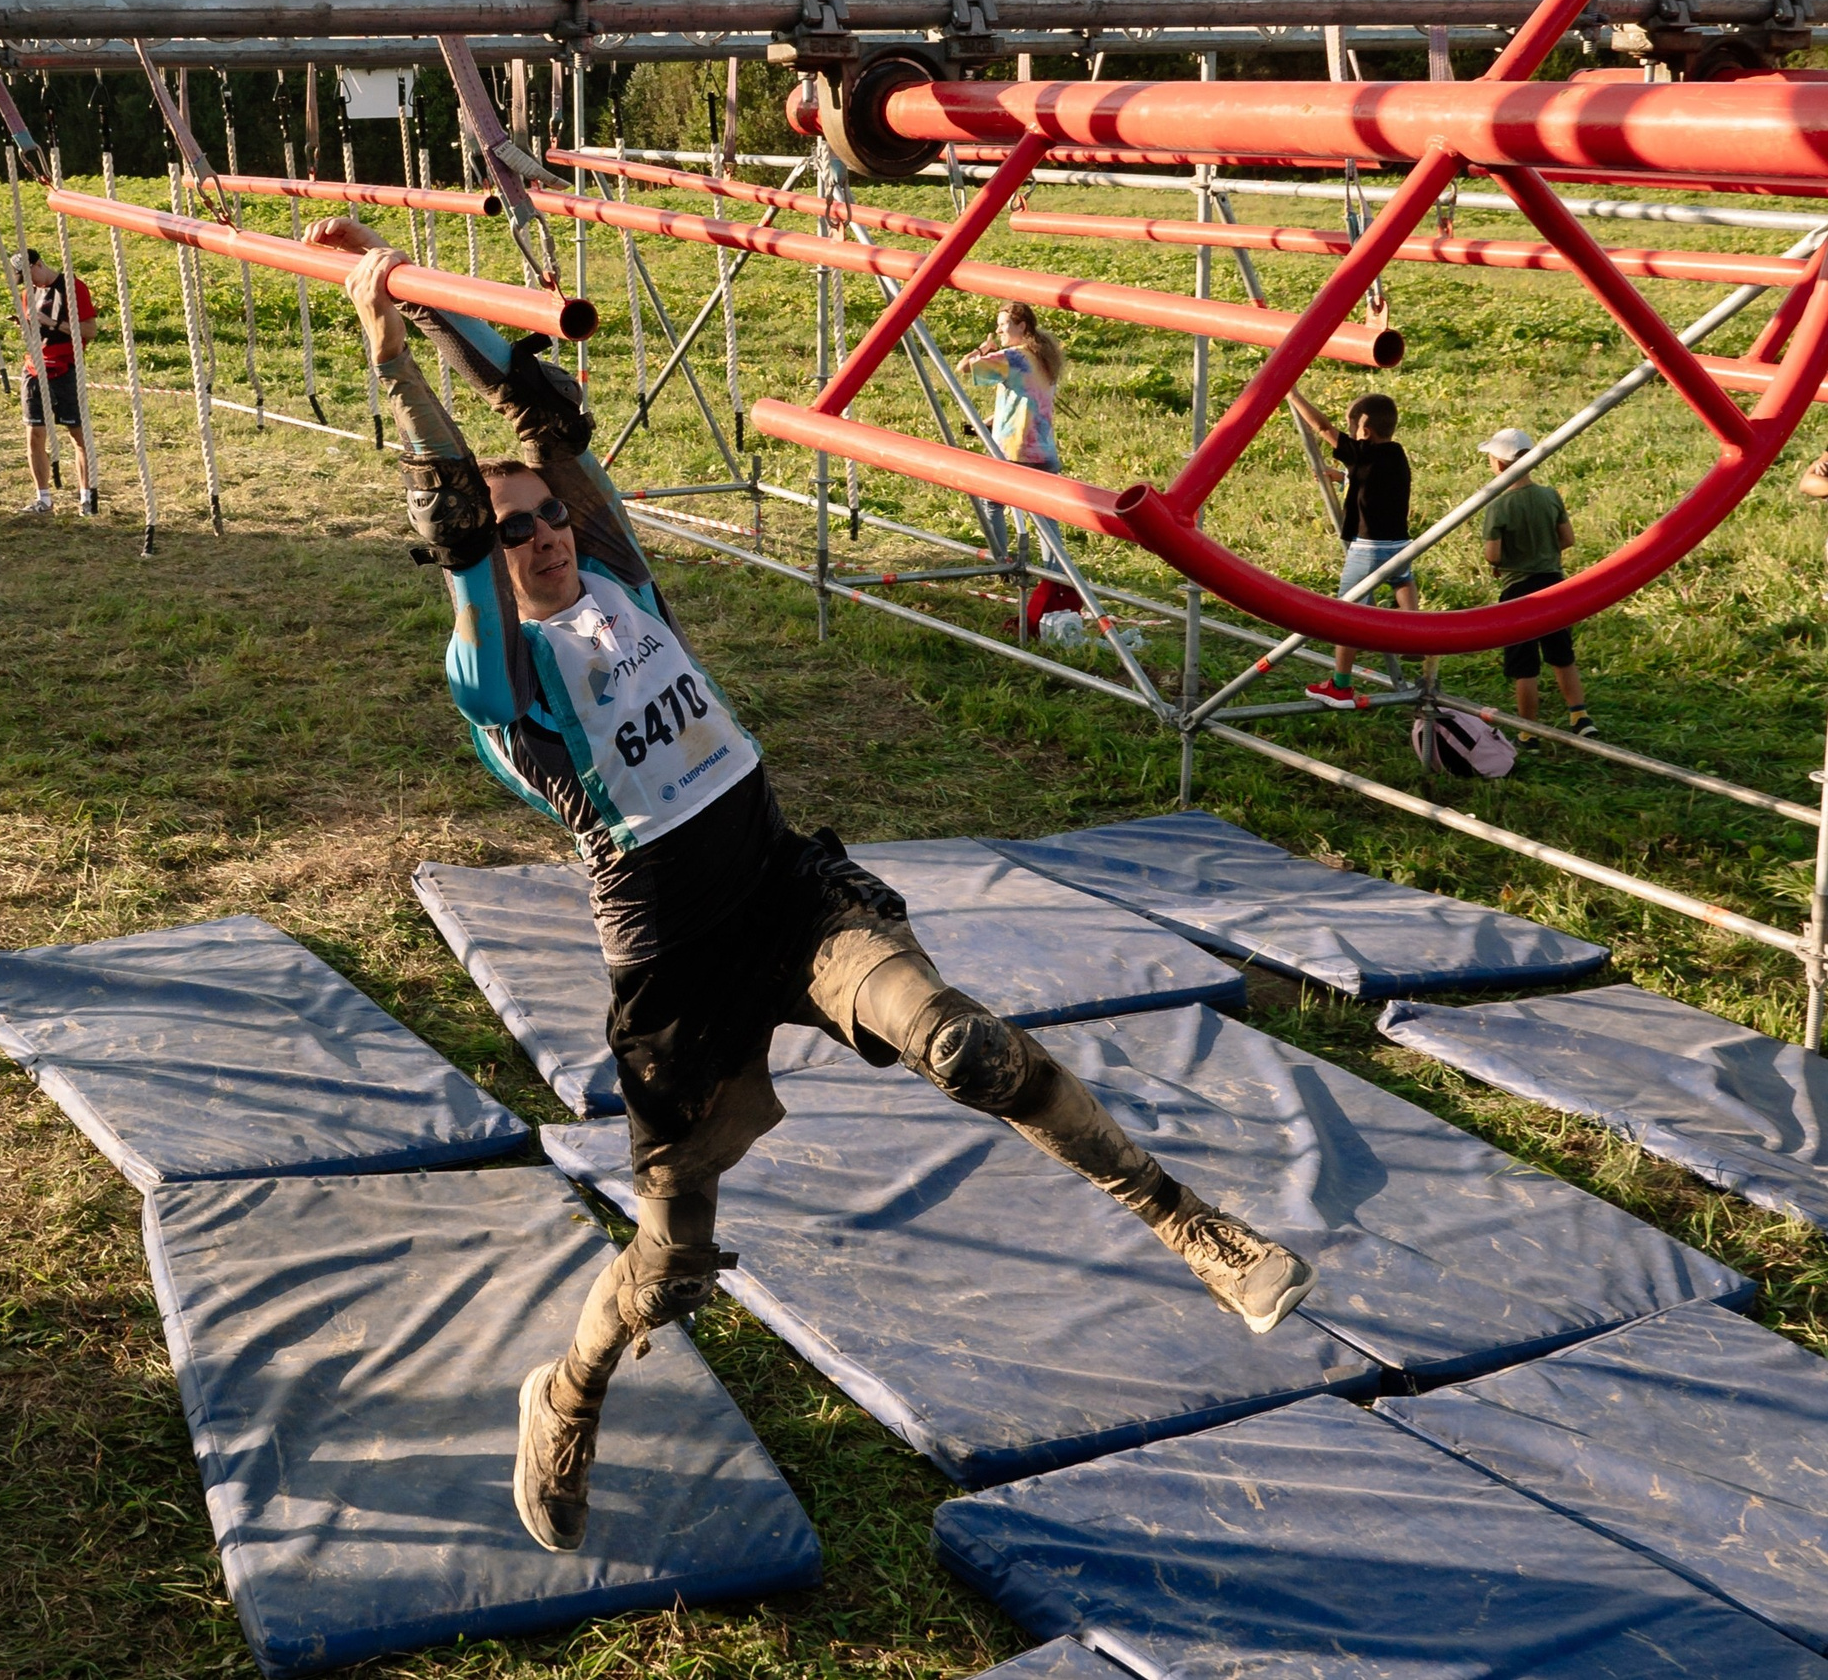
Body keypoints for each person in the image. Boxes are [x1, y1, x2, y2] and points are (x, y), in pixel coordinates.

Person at [308, 213, 1319, 1554]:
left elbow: (545, 413)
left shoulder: (616, 574)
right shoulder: (496, 677)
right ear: (485, 564)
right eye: (520, 531)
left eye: (550, 515)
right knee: (668, 1263)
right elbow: (454, 512)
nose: (546, 533)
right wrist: (392, 359)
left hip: (786, 890)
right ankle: (570, 1385)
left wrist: (431, 300)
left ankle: (1194, 1226)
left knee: (960, 1041)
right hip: (676, 965)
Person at [1289, 389, 1417, 709]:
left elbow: (1322, 427)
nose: (1347, 433)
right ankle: (1413, 632)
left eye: (1351, 426)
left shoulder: (1363, 453)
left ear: (1365, 431)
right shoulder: (1396, 453)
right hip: (1401, 545)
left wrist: (1292, 394)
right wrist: (1341, 477)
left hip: (1368, 549)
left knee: (1346, 615)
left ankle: (1340, 686)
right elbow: (1371, 482)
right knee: (1402, 581)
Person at [1476, 427, 1597, 743]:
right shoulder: (1549, 496)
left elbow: (1493, 554)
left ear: (1500, 464)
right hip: (1555, 586)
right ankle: (1579, 714)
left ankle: (1528, 732)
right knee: (1561, 654)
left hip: (1518, 592)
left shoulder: (1499, 506)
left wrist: (1498, 565)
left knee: (1524, 665)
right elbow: (1567, 539)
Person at [954, 301, 1068, 564]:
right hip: (1044, 448)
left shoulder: (1012, 357)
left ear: (1021, 326)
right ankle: (1056, 572)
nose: (998, 330)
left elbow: (964, 366)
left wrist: (982, 349)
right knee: (1045, 514)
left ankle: (1002, 562)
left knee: (992, 503)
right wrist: (988, 422)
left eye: (1003, 324)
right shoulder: (1043, 357)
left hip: (1015, 449)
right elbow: (1027, 401)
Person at [14, 249, 96, 517]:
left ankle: (86, 498)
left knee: (78, 436)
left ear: (39, 264)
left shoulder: (73, 288)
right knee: (34, 436)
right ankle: (44, 499)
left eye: (30, 277)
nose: (30, 285)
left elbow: (89, 331)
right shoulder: (28, 294)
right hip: (34, 369)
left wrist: (51, 322)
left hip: (66, 368)